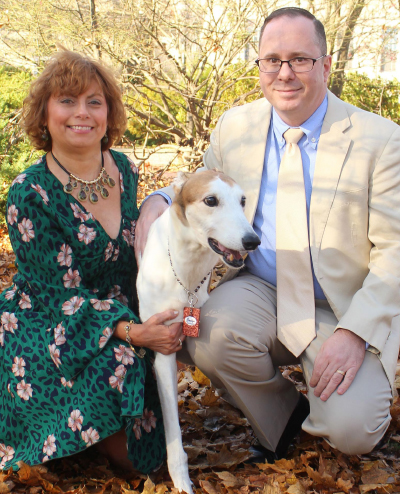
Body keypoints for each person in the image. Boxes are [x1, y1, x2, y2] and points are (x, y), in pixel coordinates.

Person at [135, 7, 400, 460]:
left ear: (326, 64)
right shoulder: (236, 126)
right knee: (205, 333)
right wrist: (155, 200)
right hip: (259, 289)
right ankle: (283, 417)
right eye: (272, 60)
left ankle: (336, 403)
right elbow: (203, 183)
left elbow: (396, 251)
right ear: (259, 64)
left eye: (300, 59)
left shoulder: (382, 140)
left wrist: (355, 333)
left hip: (340, 304)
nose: (285, 73)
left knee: (354, 433)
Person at [0, 50, 186, 473]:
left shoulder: (122, 167)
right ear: (45, 115)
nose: (81, 113)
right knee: (139, 461)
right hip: (53, 326)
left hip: (125, 309)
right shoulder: (29, 193)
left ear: (109, 113)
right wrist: (133, 332)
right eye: (67, 100)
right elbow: (56, 297)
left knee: (186, 334)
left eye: (94, 102)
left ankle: (96, 432)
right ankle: (71, 436)